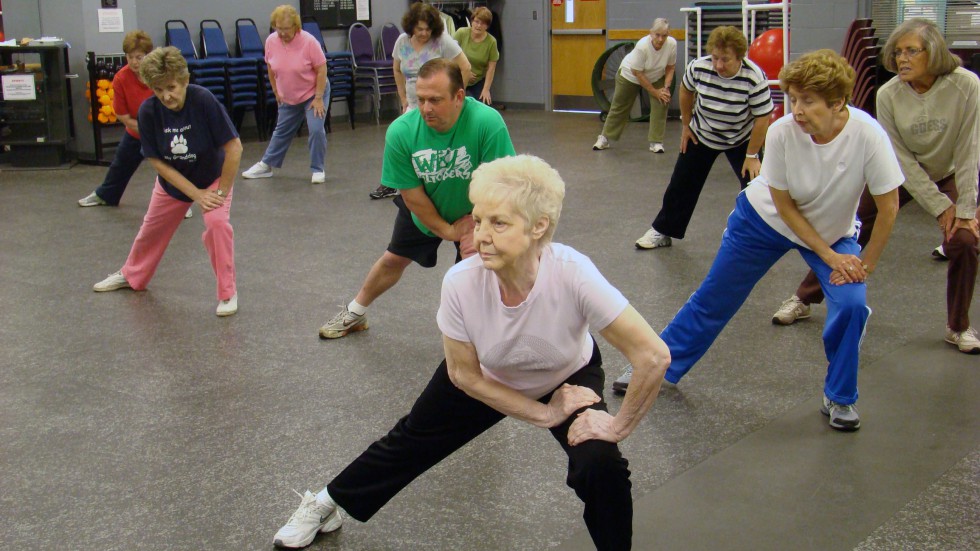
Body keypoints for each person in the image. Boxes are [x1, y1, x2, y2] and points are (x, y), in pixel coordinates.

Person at [273, 154, 671, 550]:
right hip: (485, 373)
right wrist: (545, 414)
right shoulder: (461, 281)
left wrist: (617, 426)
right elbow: (464, 376)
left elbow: (652, 356)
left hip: (564, 375)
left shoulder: (573, 271)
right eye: (478, 220)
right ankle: (326, 503)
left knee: (600, 463)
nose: (480, 235)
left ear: (539, 227)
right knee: (409, 441)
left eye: (499, 223)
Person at [615, 50, 904, 431]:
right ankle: (660, 365)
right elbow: (784, 206)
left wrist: (864, 266)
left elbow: (889, 207)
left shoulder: (868, 134)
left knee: (851, 303)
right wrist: (828, 257)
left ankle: (839, 396)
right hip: (765, 219)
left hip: (833, 231)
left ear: (837, 103)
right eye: (793, 99)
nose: (796, 110)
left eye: (808, 101)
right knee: (715, 297)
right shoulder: (783, 131)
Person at [770, 19, 980, 354]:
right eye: (897, 52)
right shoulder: (889, 94)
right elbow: (900, 160)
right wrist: (941, 206)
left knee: (965, 241)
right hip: (903, 171)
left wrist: (965, 210)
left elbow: (971, 147)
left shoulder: (966, 85)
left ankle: (958, 327)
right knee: (849, 227)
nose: (902, 59)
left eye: (911, 51)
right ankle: (804, 297)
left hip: (951, 171)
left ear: (934, 52)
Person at [320, 58, 514, 339]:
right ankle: (355, 311)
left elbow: (501, 183)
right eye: (420, 99)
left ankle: (484, 337)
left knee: (480, 271)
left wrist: (478, 224)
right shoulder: (402, 131)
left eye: (435, 100)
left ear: (459, 97)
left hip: (476, 212)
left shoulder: (487, 122)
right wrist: (447, 230)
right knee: (393, 259)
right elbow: (412, 195)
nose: (426, 108)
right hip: (426, 207)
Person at [92, 47, 243, 317]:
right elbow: (157, 162)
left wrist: (219, 192)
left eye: (171, 87)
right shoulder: (149, 111)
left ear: (184, 80)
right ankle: (131, 275)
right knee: (150, 230)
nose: (166, 96)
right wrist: (195, 195)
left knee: (217, 224)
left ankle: (227, 292)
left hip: (212, 177)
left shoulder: (203, 100)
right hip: (173, 183)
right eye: (159, 89)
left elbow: (234, 147)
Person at [634, 26, 772, 250]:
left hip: (741, 137)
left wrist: (752, 154)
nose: (718, 65)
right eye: (715, 58)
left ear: (740, 57)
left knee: (756, 186)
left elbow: (763, 118)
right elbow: (686, 90)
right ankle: (664, 231)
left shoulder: (754, 77)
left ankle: (759, 237)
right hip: (703, 133)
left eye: (725, 60)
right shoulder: (698, 67)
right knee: (681, 183)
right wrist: (686, 125)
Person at [79, 30, 192, 219]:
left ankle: (180, 203)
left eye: (139, 57)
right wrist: (146, 131)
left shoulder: (159, 76)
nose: (134, 62)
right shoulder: (121, 79)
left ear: (148, 55)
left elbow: (175, 105)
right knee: (120, 164)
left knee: (171, 167)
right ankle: (105, 196)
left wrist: (162, 131)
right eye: (130, 57)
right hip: (136, 130)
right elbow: (122, 116)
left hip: (165, 132)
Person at [371, 1, 473, 200]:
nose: (424, 33)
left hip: (438, 103)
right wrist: (403, 99)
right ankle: (393, 183)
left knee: (434, 144)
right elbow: (397, 69)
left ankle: (437, 183)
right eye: (419, 29)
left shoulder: (442, 41)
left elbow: (465, 67)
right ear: (411, 27)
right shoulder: (402, 42)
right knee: (400, 139)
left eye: (427, 29)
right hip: (413, 103)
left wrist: (455, 97)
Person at [241, 4, 329, 185]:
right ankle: (266, 165)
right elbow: (271, 68)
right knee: (281, 131)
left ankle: (318, 169)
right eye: (278, 28)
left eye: (286, 29)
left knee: (315, 129)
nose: (282, 33)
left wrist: (319, 97)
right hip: (288, 95)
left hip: (313, 93)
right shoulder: (271, 41)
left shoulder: (309, 41)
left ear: (296, 26)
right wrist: (276, 90)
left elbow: (321, 69)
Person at [592, 18, 676, 154]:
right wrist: (655, 92)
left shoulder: (671, 44)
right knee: (619, 106)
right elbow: (637, 73)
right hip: (630, 74)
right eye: (657, 35)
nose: (661, 39)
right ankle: (604, 138)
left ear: (668, 34)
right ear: (651, 33)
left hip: (655, 75)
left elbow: (670, 67)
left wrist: (665, 88)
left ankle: (656, 142)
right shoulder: (642, 46)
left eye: (664, 35)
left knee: (662, 101)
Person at [453, 6, 499, 104]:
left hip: (477, 80)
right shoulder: (461, 33)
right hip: (458, 77)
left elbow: (491, 67)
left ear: (487, 26)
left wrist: (486, 89)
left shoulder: (491, 42)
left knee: (485, 105)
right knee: (454, 103)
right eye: (476, 22)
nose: (478, 26)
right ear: (472, 21)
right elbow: (450, 57)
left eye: (482, 24)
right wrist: (465, 72)